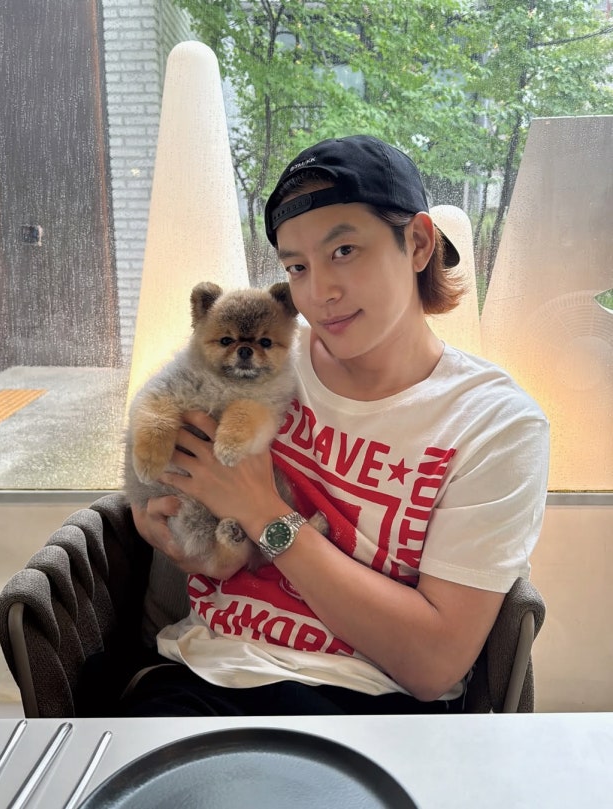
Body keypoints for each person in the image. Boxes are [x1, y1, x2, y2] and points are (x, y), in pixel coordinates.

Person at [125, 134, 550, 716]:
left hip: (371, 705)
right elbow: (160, 459)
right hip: (202, 676)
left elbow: (433, 666)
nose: (319, 292)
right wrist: (158, 521)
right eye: (296, 266)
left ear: (418, 243)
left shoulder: (496, 425)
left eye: (344, 250)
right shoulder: (268, 356)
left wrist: (263, 515)